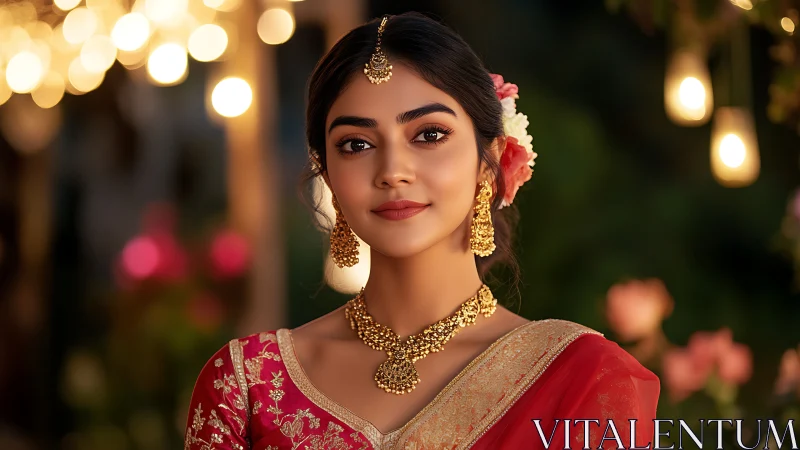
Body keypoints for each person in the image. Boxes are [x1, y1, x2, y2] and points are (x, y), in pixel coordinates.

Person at [184, 12, 660, 450]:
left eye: (429, 135)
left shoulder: (582, 377)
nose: (393, 170)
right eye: (356, 143)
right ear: (327, 175)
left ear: (488, 160)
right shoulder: (247, 386)